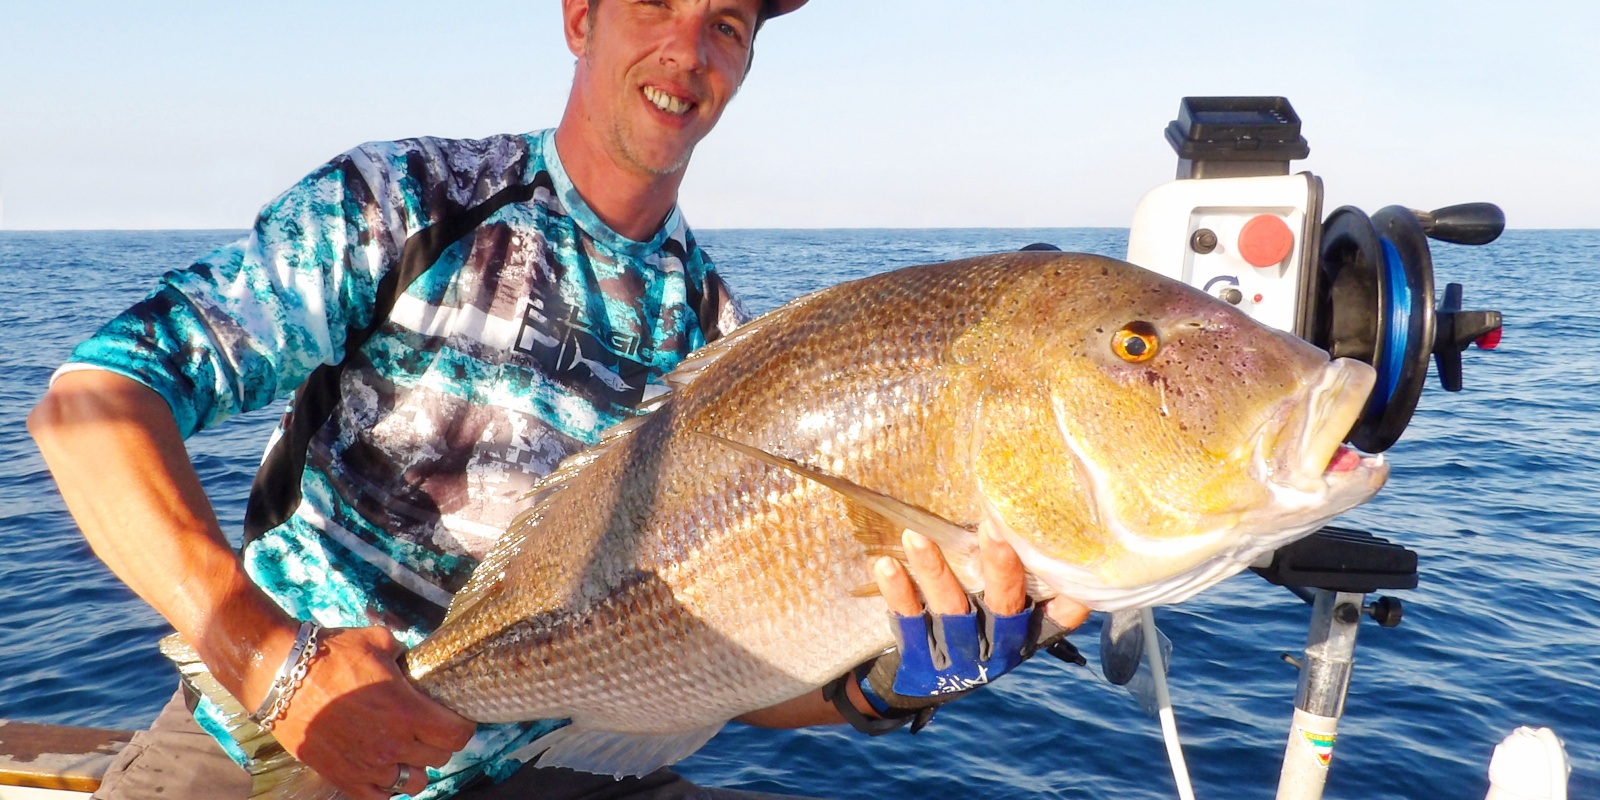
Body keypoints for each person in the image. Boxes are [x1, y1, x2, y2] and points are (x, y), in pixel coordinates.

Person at [29, 1, 1088, 798]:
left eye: (724, 23)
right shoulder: (408, 200)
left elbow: (708, 662)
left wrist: (881, 687)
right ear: (579, 19)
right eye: (655, 6)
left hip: (537, 765)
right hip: (265, 736)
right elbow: (91, 402)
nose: (687, 50)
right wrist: (273, 663)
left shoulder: (718, 340)